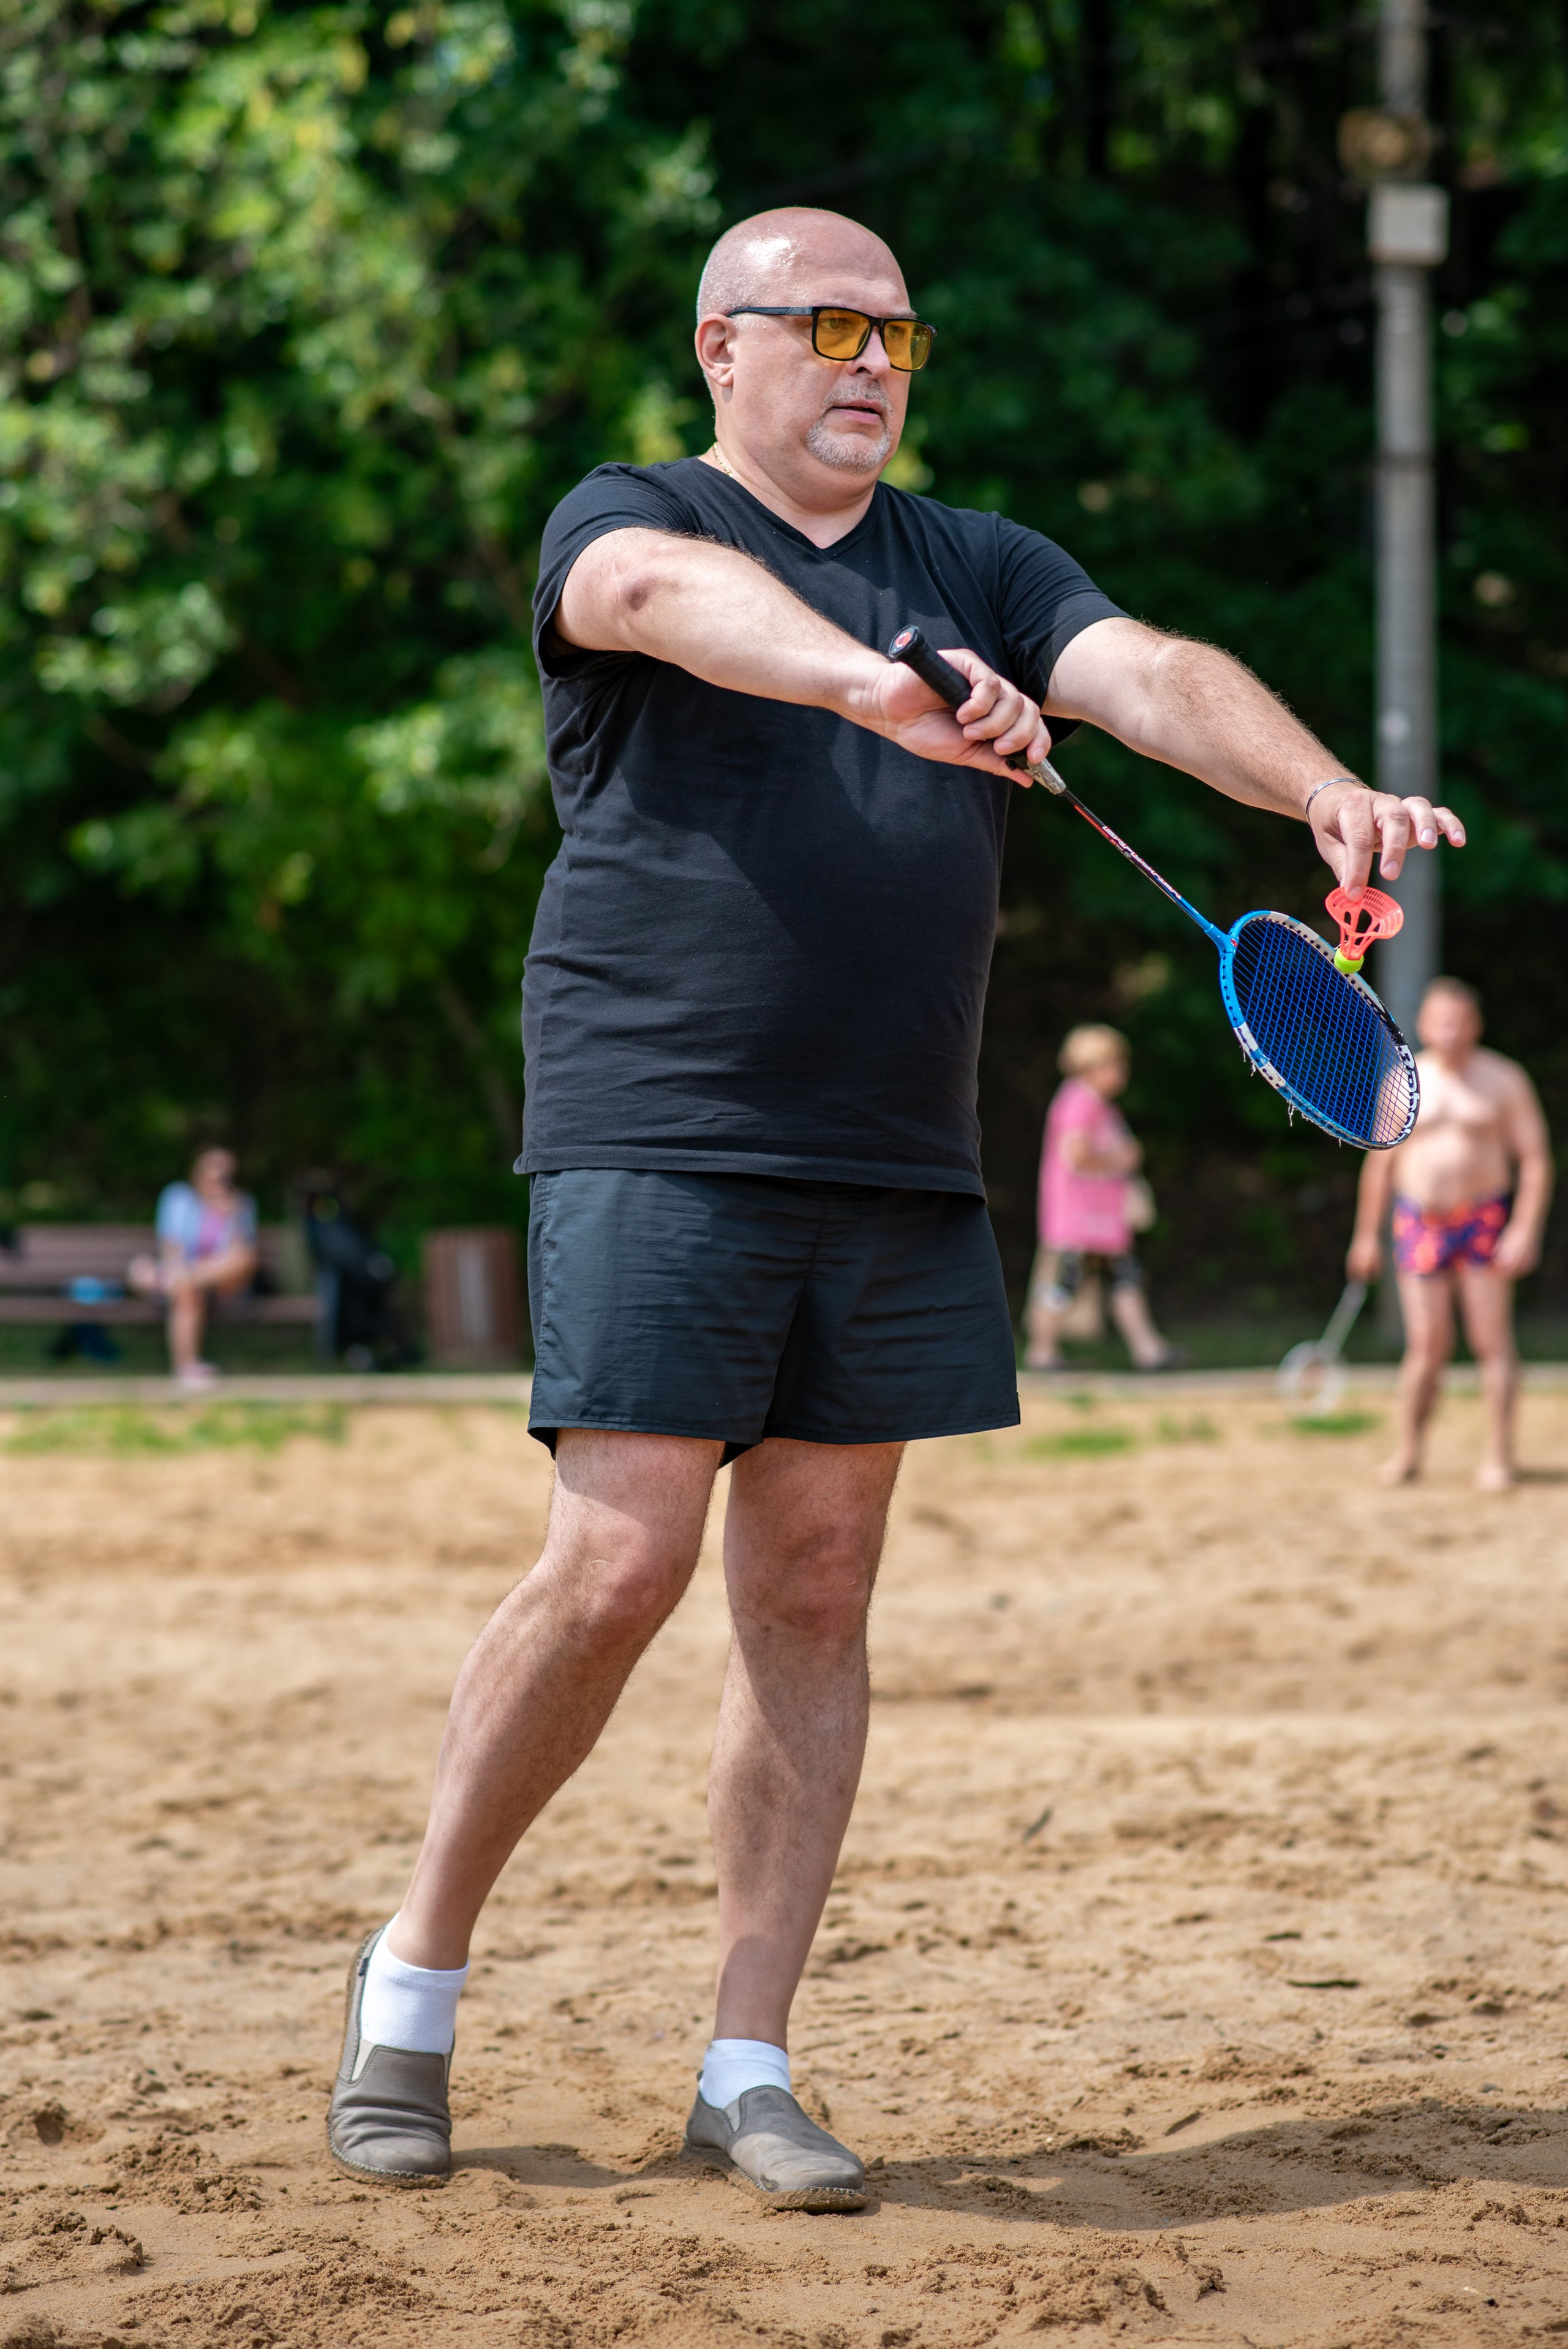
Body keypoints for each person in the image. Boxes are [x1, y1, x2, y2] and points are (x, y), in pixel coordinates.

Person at [325, 205, 1463, 2206]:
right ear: (721, 350)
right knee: (617, 1562)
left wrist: (1313, 792)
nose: (868, 362)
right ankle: (410, 1985)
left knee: (818, 1587)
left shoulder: (985, 565)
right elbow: (666, 601)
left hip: (896, 1140)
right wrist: (873, 690)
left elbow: (1146, 670)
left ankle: (747, 2059)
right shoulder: (632, 513)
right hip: (660, 1115)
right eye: (828, 327)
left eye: (900, 339)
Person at [1348, 977, 1550, 1491]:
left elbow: (1535, 1161)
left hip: (1483, 1219)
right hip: (1420, 1219)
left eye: (1459, 1021)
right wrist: (1365, 1236)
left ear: (1476, 1025)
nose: (1450, 1031)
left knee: (1491, 1340)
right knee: (1427, 1344)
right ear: (1422, 1024)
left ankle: (1499, 1456)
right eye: (1441, 1020)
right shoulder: (1405, 1078)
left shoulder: (1504, 1079)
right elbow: (1380, 1165)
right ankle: (1408, 1452)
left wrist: (1525, 1228)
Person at [1023, 1024, 1180, 1372]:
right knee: (1062, 1284)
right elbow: (1076, 1155)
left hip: (1102, 1218)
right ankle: (1042, 1352)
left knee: (1126, 1277)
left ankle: (1148, 1350)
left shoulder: (1098, 1104)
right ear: (1095, 1066)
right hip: (1078, 1217)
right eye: (1118, 1064)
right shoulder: (1079, 1101)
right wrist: (1120, 1160)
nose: (1123, 1072)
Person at [127, 1147, 259, 1391]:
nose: (220, 1182)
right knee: (186, 1288)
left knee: (242, 1257)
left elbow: (240, 1257)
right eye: (214, 1175)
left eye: (227, 1177)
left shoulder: (241, 1205)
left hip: (224, 1283)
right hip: (186, 1279)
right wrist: (183, 1273)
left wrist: (232, 1214)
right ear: (198, 1175)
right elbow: (171, 1248)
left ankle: (166, 1280)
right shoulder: (179, 1199)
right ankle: (187, 1367)